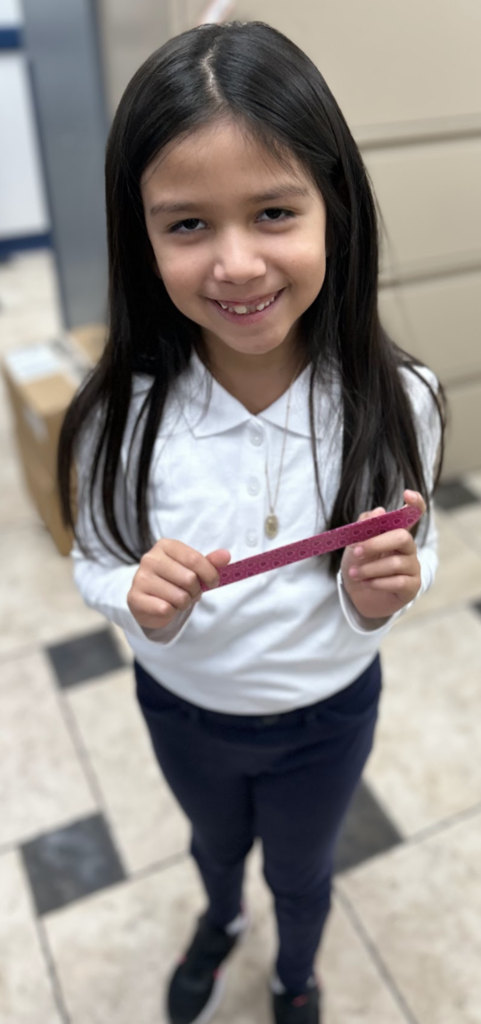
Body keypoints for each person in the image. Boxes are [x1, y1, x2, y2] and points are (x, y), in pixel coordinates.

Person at [58, 20, 445, 1024]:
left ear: (335, 211)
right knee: (214, 846)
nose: (235, 263)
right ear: (140, 235)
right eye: (187, 224)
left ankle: (293, 974)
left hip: (329, 713)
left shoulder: (399, 399)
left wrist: (384, 593)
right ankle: (221, 916)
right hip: (183, 709)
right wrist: (134, 598)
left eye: (274, 211)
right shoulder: (117, 415)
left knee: (306, 869)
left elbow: (418, 540)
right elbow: (95, 559)